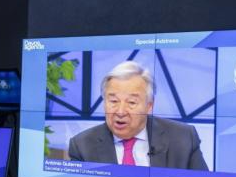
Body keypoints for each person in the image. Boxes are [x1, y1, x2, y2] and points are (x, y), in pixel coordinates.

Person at [67, 61, 209, 170]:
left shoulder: (183, 138)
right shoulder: (82, 146)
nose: (120, 111)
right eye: (113, 101)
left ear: (149, 106)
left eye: (132, 102)